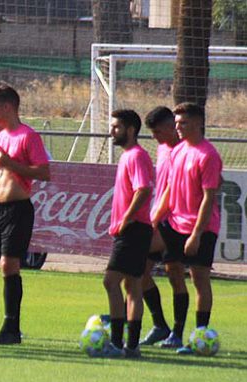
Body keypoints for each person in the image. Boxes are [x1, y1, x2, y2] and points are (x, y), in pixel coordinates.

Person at [152, 102, 222, 355]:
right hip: (174, 223)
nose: (178, 128)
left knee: (199, 279)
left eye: (183, 123)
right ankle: (175, 333)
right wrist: (155, 217)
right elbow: (170, 188)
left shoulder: (208, 155)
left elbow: (208, 198)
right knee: (172, 273)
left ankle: (200, 335)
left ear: (198, 123)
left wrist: (196, 235)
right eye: (176, 123)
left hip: (201, 227)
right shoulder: (179, 150)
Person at [0, 85, 50, 345]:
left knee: (9, 265)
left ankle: (11, 327)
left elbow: (44, 172)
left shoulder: (27, 136)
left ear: (7, 107)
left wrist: (12, 164)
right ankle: (9, 326)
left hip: (17, 210)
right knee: (3, 266)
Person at [100, 109, 154, 358]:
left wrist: (126, 218)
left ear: (131, 130)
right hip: (134, 229)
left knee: (111, 281)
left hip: (133, 229)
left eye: (116, 127)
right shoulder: (128, 156)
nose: (112, 131)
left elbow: (143, 190)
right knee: (132, 285)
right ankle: (131, 347)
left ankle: (117, 343)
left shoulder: (137, 156)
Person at [139, 106, 181, 346]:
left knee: (175, 274)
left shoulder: (183, 150)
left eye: (156, 131)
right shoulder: (163, 148)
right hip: (158, 217)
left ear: (169, 127)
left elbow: (172, 190)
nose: (154, 137)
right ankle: (160, 326)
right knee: (139, 271)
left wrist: (154, 218)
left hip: (173, 221)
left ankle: (178, 330)